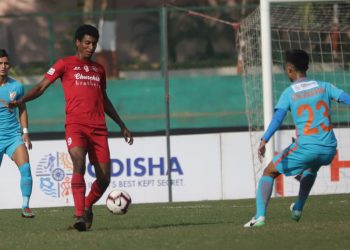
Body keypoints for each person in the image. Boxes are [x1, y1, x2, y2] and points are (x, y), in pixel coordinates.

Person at [9, 24, 133, 231]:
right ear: (77, 42)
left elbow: (103, 99)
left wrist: (121, 125)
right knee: (78, 164)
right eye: (86, 43)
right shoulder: (64, 64)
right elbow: (41, 86)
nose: (90, 47)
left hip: (99, 129)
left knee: (104, 179)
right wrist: (22, 100)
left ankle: (87, 206)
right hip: (76, 126)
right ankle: (79, 217)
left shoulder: (98, 69)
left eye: (94, 43)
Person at [244, 49, 350, 227]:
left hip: (307, 147)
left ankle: (260, 217)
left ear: (289, 69)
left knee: (269, 172)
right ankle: (298, 208)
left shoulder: (289, 92)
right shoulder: (324, 86)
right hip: (329, 149)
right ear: (307, 67)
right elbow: (346, 98)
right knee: (312, 168)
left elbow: (278, 119)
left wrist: (264, 140)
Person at [0, 49, 35, 218]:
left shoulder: (17, 86)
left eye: (6, 63)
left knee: (26, 168)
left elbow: (22, 109)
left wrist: (25, 132)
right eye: (0, 63)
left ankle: (26, 206)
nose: (3, 66)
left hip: (13, 136)